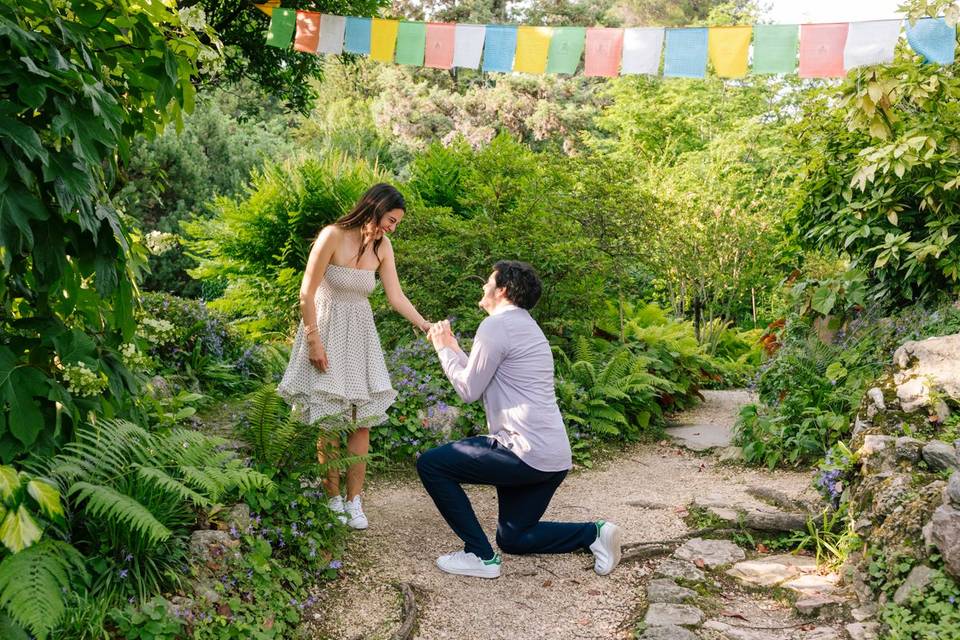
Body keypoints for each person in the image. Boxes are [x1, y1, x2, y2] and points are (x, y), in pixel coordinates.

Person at [417, 260, 622, 579]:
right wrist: (454, 347)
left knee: (432, 465)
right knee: (514, 537)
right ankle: (593, 534)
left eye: (488, 282)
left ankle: (479, 556)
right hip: (551, 459)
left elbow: (469, 390)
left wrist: (444, 350)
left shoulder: (496, 326)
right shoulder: (525, 325)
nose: (483, 287)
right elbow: (480, 375)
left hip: (520, 452)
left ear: (503, 290)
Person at [279, 183, 430, 530]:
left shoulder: (383, 246)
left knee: (362, 419)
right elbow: (307, 291)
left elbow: (396, 296)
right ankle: (332, 498)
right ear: (375, 207)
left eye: (396, 224)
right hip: (327, 329)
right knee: (331, 419)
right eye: (390, 220)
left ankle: (354, 501)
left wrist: (425, 325)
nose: (392, 228)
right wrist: (314, 341)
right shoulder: (332, 235)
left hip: (361, 334)